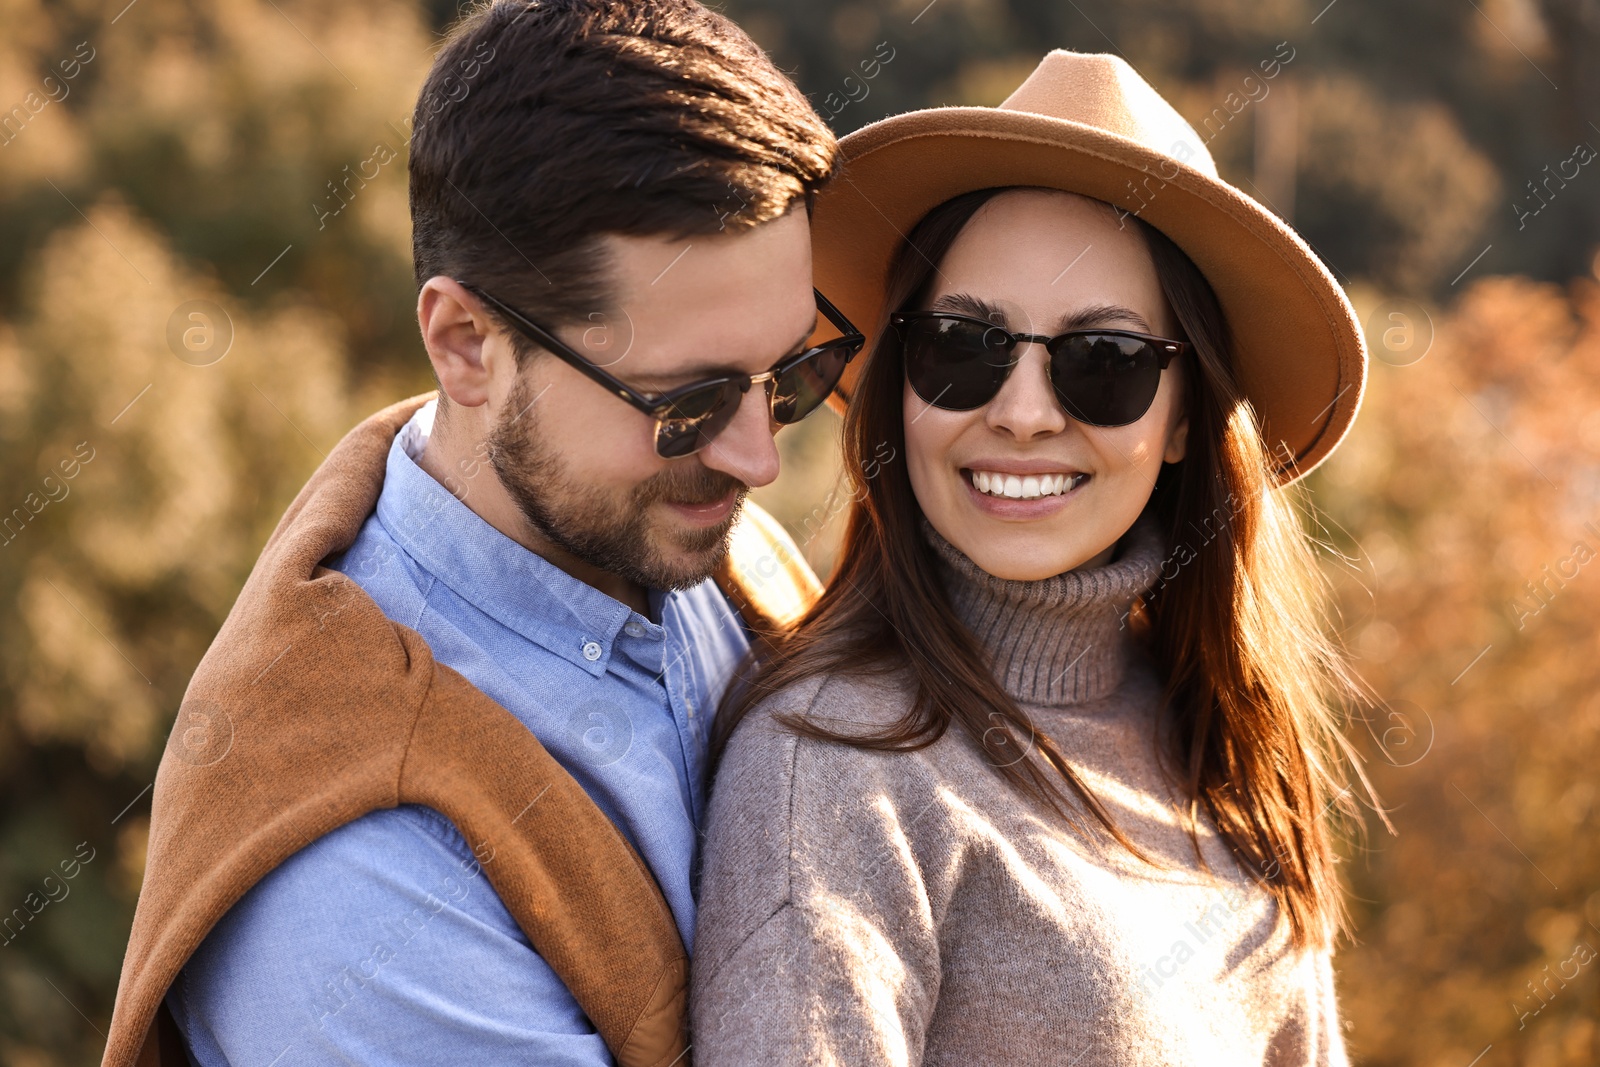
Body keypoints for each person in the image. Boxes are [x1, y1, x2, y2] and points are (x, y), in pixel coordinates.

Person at [101, 2, 860, 1065]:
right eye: (686, 402)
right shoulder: (362, 886)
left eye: (790, 375)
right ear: (466, 344)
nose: (758, 459)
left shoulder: (675, 534)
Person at [691, 50, 1376, 1065]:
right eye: (962, 347)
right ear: (898, 383)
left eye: (1103, 362)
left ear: (1184, 415)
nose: (1020, 414)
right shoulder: (834, 765)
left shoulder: (1225, 755)